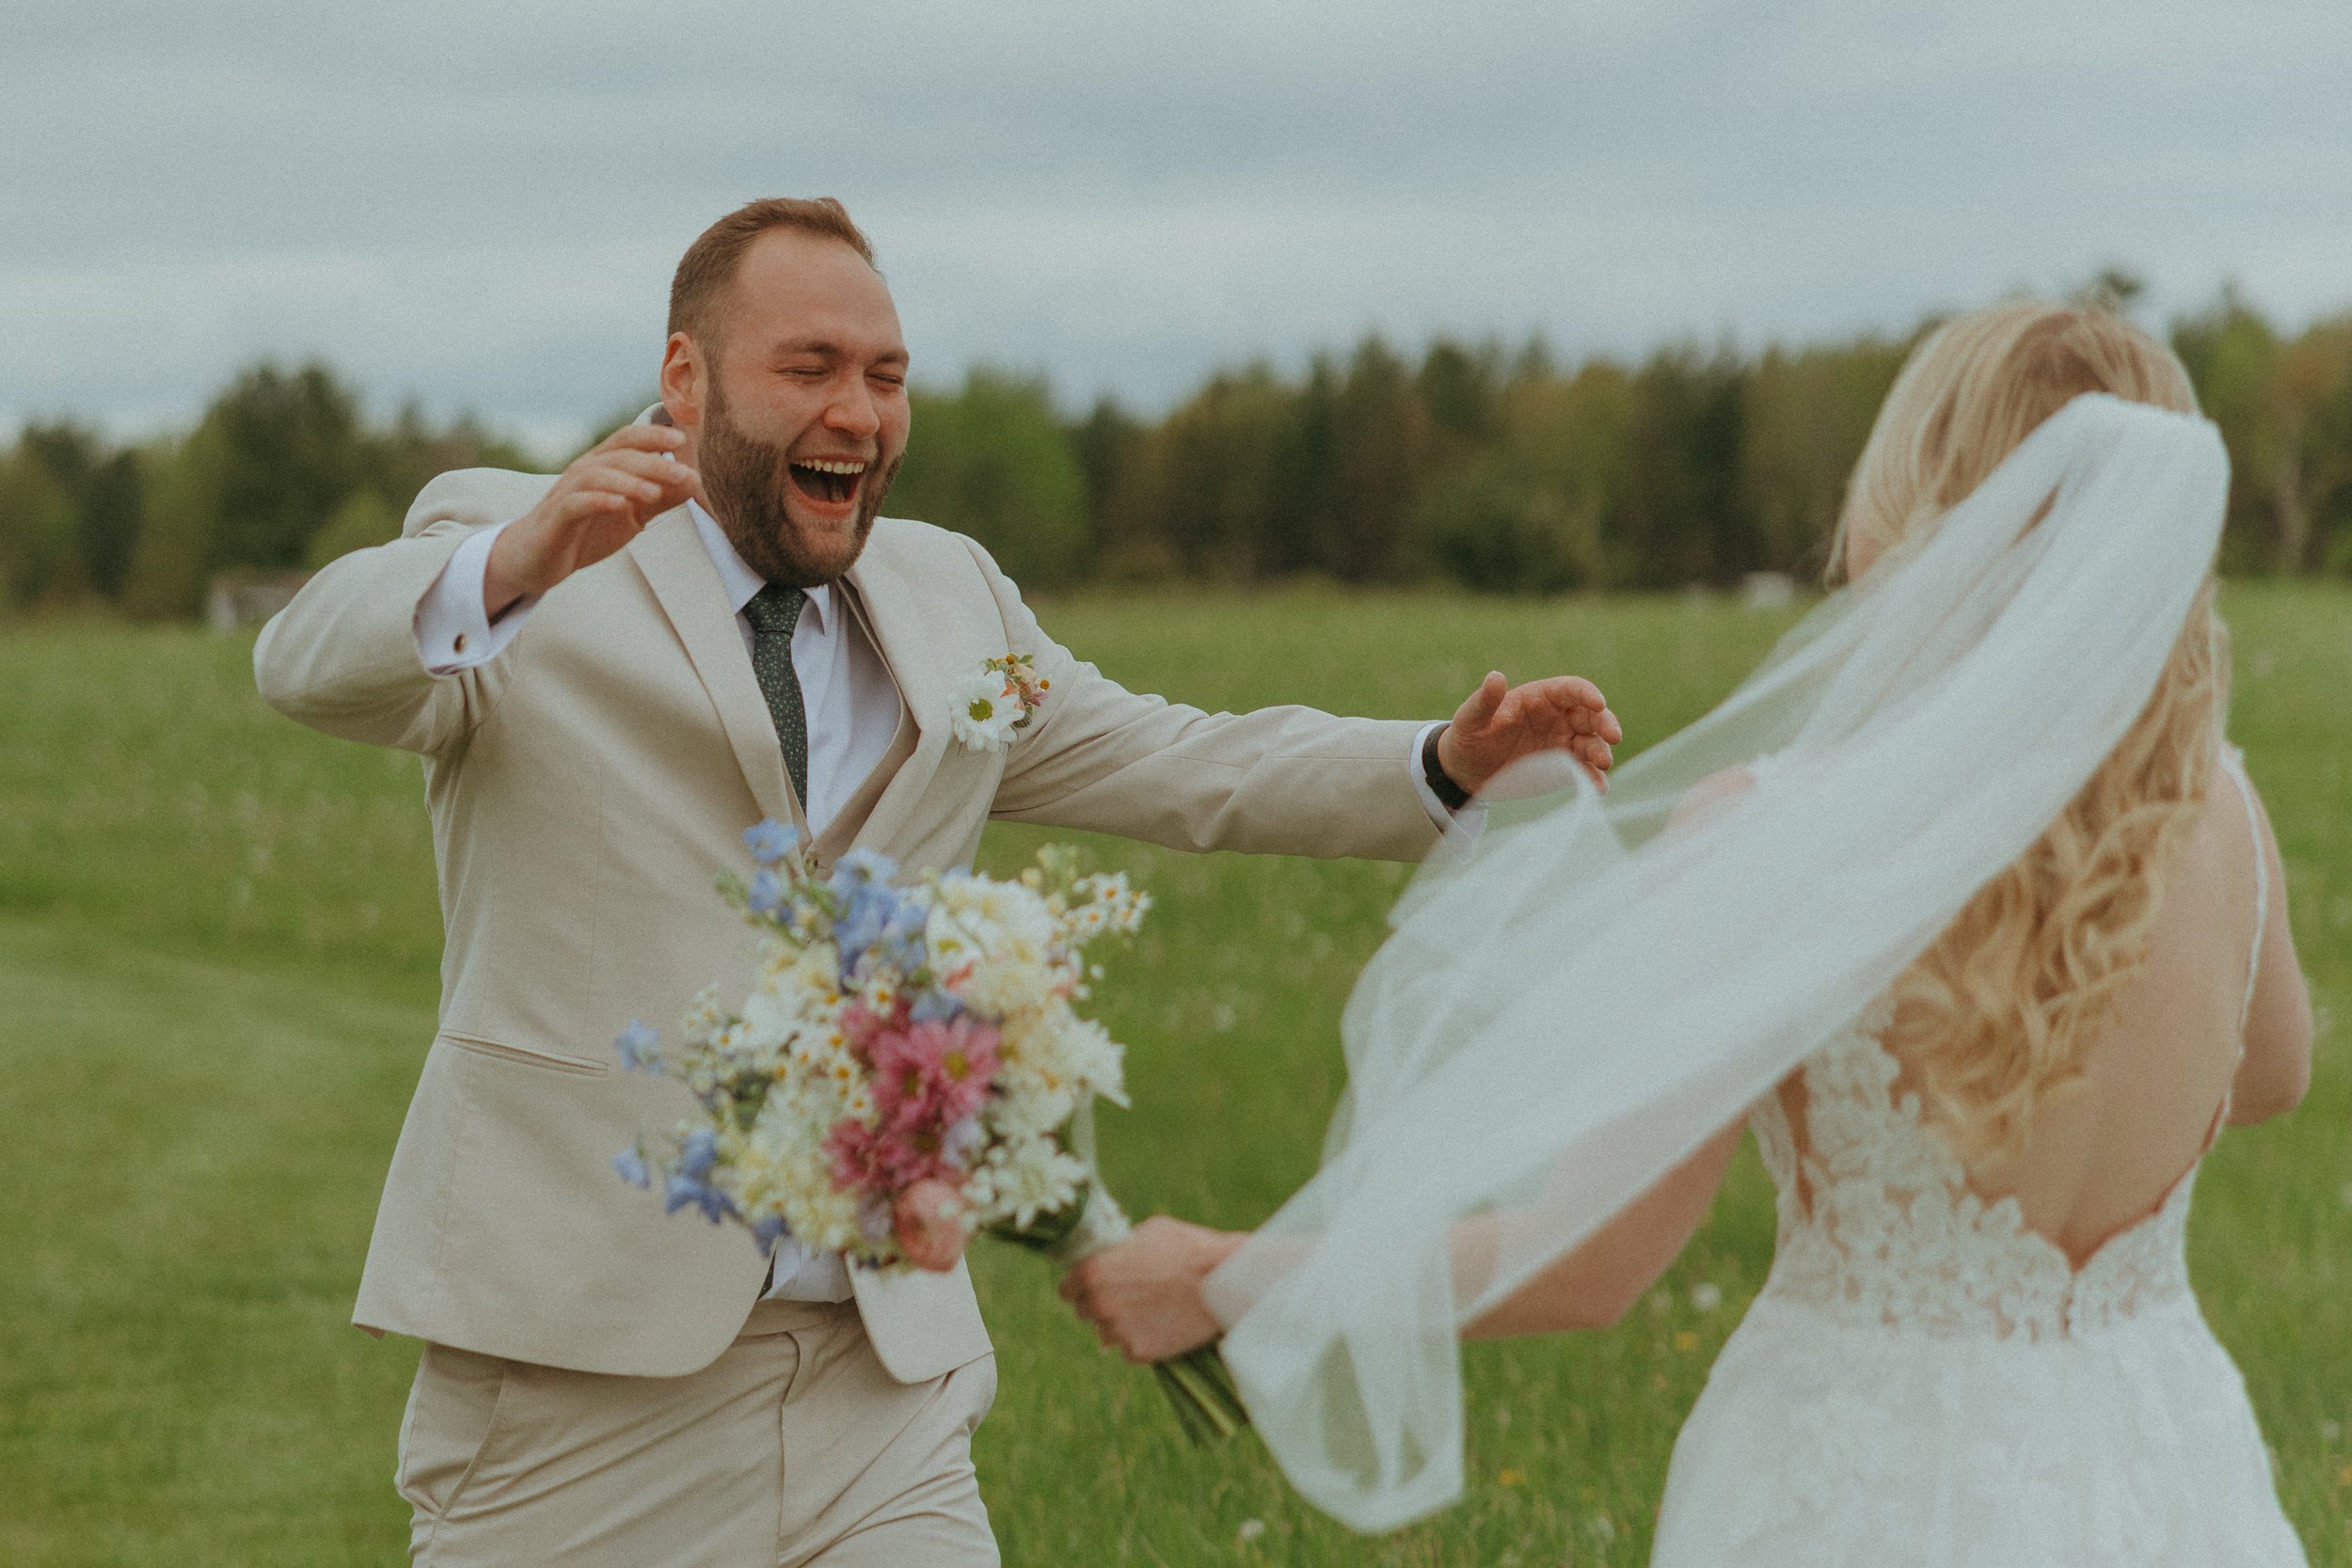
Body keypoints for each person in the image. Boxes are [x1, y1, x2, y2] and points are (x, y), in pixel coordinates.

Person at [252, 196, 1622, 1568]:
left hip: (882, 1396)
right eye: (809, 369)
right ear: (686, 379)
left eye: (886, 375)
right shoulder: (524, 544)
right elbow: (305, 660)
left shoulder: (955, 597)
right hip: (579, 1396)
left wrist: (1441, 766)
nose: (858, 411)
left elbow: (1184, 763)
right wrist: (516, 562)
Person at [1065, 302, 2315, 1563]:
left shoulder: (1779, 835)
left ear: (1933, 514)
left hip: (1860, 1482)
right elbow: (2272, 1076)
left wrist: (1216, 1274)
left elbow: (1585, 1265)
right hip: (2161, 1466)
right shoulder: (2217, 809)